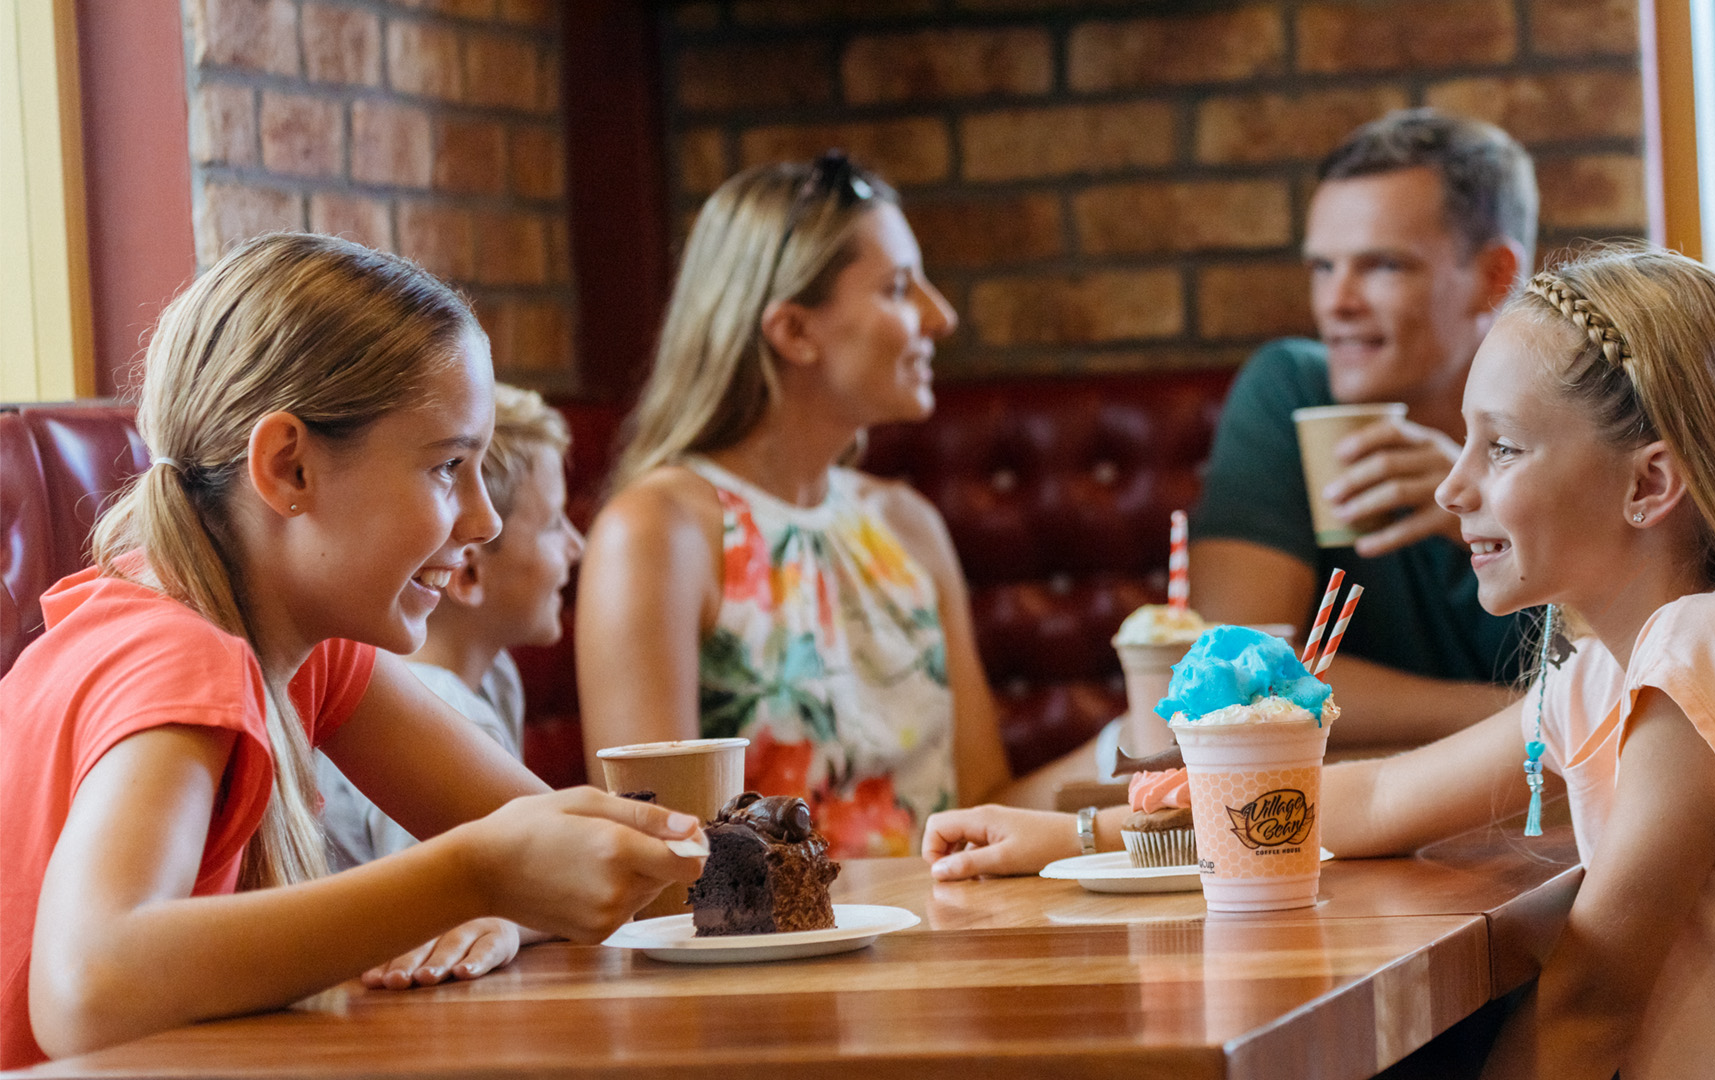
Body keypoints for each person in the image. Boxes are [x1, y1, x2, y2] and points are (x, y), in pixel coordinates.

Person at [923, 246, 1715, 1077]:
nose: (1453, 488)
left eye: (1503, 450)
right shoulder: (1619, 671)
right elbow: (1365, 803)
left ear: (1649, 481)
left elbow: (1592, 996)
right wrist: (1074, 833)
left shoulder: (1706, 648)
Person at [0, 234, 703, 1068]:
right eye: (449, 466)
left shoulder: (305, 647)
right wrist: (474, 878)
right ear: (289, 468)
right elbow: (87, 989)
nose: (483, 522)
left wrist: (513, 902)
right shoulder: (175, 650)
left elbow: (584, 856)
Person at [576, 153, 1055, 860]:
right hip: (761, 966)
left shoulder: (908, 525)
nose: (941, 315)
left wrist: (1148, 742)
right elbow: (652, 854)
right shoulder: (657, 532)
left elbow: (985, 810)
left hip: (942, 944)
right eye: (898, 288)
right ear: (794, 331)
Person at [1189, 108, 1538, 745]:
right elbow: (1234, 683)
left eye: (1382, 266)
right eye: (1323, 267)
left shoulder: (1590, 413)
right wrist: (1534, 717)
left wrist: (1486, 515)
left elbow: (1647, 665)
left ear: (1496, 278)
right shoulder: (1291, 391)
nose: (1336, 303)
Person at [319, 382, 583, 873]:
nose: (577, 545)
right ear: (468, 572)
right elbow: (454, 910)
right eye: (552, 523)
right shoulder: (450, 709)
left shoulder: (496, 676)